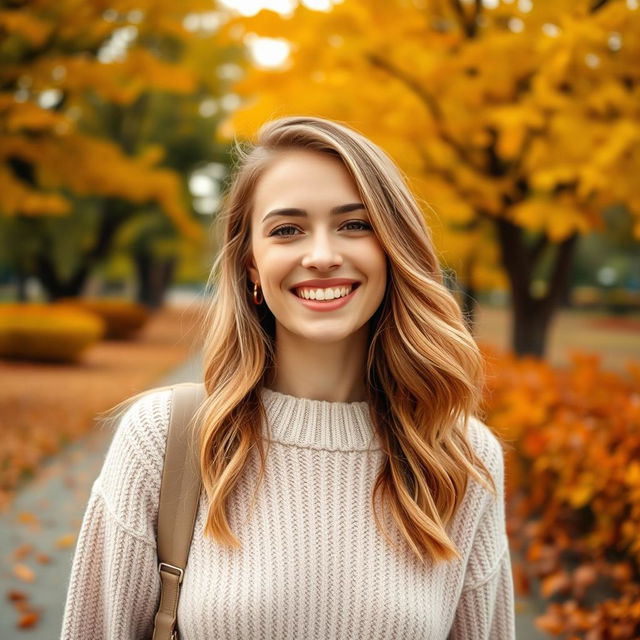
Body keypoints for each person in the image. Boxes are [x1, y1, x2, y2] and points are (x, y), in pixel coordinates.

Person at [60, 116, 515, 639]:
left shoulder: (460, 456)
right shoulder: (166, 439)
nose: (322, 255)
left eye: (355, 224)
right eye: (286, 230)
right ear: (252, 265)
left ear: (394, 249)